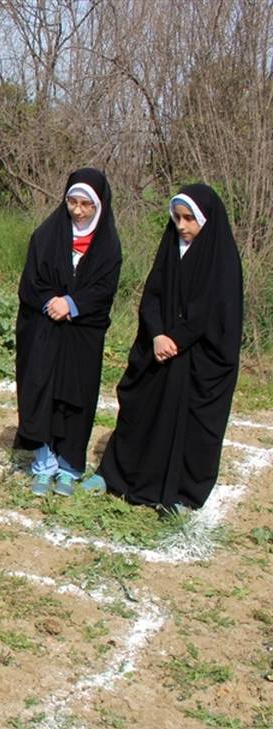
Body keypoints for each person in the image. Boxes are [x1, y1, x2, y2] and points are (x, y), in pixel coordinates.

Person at [87, 185, 244, 511]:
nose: (182, 226)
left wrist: (179, 339)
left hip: (198, 357)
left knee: (193, 426)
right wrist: (157, 334)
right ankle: (116, 475)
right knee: (139, 409)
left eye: (190, 219)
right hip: (159, 349)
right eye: (177, 218)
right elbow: (153, 296)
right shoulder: (170, 249)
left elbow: (214, 309)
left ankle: (182, 495)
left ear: (206, 221)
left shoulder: (222, 259)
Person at [14, 168, 122, 497]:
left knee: (75, 400)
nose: (77, 210)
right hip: (45, 329)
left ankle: (69, 467)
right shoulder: (46, 236)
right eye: (72, 202)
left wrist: (73, 303)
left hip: (82, 337)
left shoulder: (108, 246)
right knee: (42, 393)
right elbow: (32, 282)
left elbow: (104, 291)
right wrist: (53, 302)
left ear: (99, 206)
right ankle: (44, 465)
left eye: (86, 204)